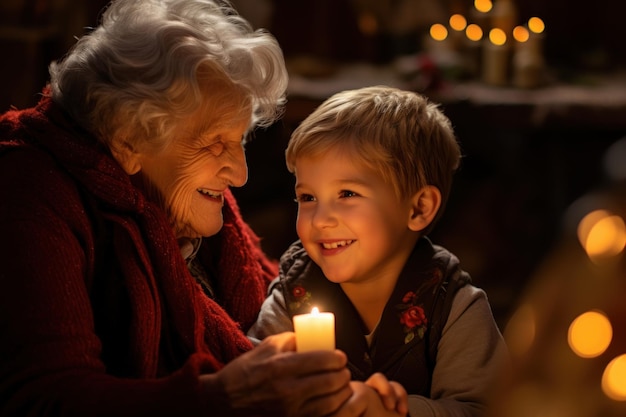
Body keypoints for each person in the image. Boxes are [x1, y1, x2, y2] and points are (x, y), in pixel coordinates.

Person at [0, 1, 407, 416]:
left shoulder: (185, 201)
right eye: (215, 144)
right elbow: (43, 399)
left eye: (240, 141)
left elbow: (282, 312)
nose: (240, 175)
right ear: (129, 137)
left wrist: (349, 384)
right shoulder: (29, 193)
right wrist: (220, 399)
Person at [248, 86, 510, 416]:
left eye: (347, 193)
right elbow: (255, 383)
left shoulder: (454, 305)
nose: (322, 220)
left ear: (418, 208)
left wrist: (393, 412)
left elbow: (488, 408)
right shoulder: (292, 293)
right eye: (308, 198)